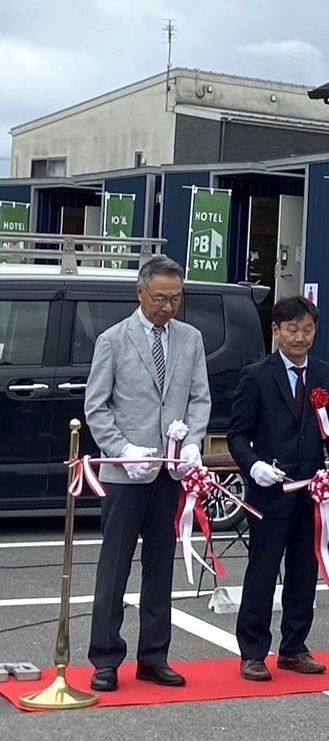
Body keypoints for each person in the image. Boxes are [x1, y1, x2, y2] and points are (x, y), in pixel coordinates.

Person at [84, 255, 209, 691]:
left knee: (160, 567)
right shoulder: (113, 340)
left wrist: (192, 442)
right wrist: (121, 450)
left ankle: (154, 655)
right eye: (160, 299)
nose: (168, 307)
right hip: (125, 474)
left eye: (175, 299)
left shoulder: (191, 339)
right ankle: (104, 657)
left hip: (169, 472)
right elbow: (96, 407)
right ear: (140, 293)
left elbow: (198, 399)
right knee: (114, 567)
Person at [227, 296, 329, 681]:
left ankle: (294, 646)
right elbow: (237, 435)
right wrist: (254, 466)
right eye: (292, 329)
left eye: (308, 329)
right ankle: (252, 651)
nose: (300, 337)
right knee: (262, 572)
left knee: (304, 569)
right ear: (276, 331)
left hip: (313, 491)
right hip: (271, 491)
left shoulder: (324, 374)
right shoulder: (257, 375)